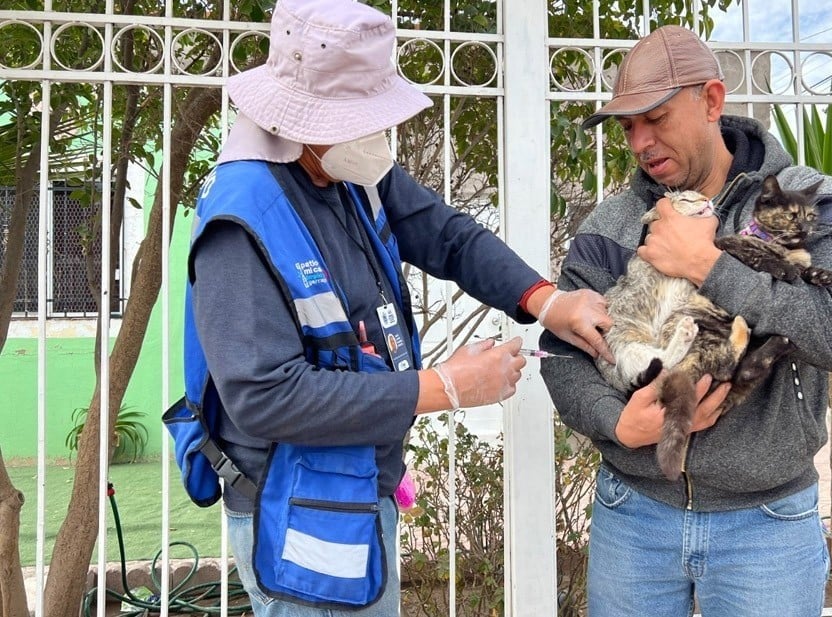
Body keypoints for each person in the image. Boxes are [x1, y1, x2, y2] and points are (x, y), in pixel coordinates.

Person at [166, 0, 614, 615]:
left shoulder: (344, 169)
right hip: (294, 502)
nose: (377, 136)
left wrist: (548, 301)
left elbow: (447, 234)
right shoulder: (242, 221)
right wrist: (445, 389)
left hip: (353, 484)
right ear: (305, 119)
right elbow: (265, 397)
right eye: (361, 118)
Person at [539, 25, 832, 617]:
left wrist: (710, 265)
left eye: (657, 118)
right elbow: (561, 355)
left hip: (766, 523)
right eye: (627, 126)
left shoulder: (796, 197)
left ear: (712, 101)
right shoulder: (612, 222)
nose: (639, 142)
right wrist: (618, 425)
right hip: (633, 514)